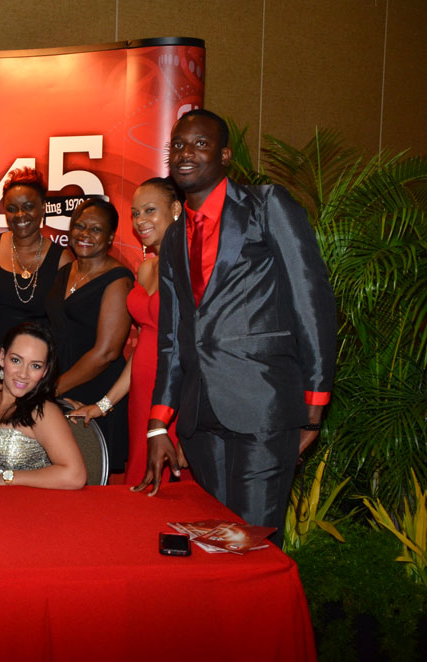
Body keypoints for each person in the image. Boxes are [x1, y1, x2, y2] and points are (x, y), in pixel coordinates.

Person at [141, 109, 336, 545]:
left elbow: (312, 300)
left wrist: (315, 400)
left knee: (252, 544)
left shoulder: (267, 206)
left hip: (263, 407)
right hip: (199, 418)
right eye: (178, 145)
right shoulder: (173, 238)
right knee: (212, 543)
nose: (186, 153)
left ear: (225, 155)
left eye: (200, 144)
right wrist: (158, 423)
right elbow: (172, 339)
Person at [73, 178, 187, 486]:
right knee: (141, 482)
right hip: (141, 397)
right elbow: (145, 346)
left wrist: (193, 424)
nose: (140, 221)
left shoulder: (193, 266)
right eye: (135, 213)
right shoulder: (146, 269)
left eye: (150, 210)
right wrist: (104, 405)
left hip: (177, 397)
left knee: (176, 495)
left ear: (176, 209)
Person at [0, 167, 73, 410]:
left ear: (43, 207)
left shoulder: (62, 260)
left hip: (31, 377)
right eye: (12, 208)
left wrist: (54, 381)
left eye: (28, 206)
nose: (20, 215)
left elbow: (62, 331)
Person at [45, 197, 133, 473]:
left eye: (96, 229)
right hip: (58, 386)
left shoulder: (118, 280)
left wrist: (53, 387)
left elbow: (106, 353)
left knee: (92, 476)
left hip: (95, 392)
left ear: (110, 237)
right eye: (80, 226)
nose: (85, 234)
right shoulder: (65, 271)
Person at [0, 323, 86, 489]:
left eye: (35, 366)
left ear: (45, 371)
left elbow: (75, 475)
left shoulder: (43, 411)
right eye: (16, 360)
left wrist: (10, 478)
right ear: (2, 357)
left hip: (21, 501)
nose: (23, 374)